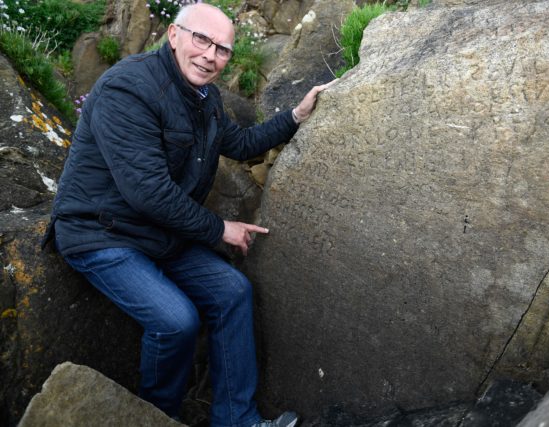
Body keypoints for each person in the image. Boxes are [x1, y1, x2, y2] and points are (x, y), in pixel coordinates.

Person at [42, 3, 332, 426]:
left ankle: (237, 420)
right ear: (174, 35)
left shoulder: (205, 98)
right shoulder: (128, 87)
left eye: (223, 49)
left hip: (158, 234)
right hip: (101, 233)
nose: (210, 55)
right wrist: (219, 228)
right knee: (176, 320)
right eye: (202, 40)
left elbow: (243, 142)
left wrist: (295, 116)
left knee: (233, 292)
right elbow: (147, 191)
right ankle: (159, 417)